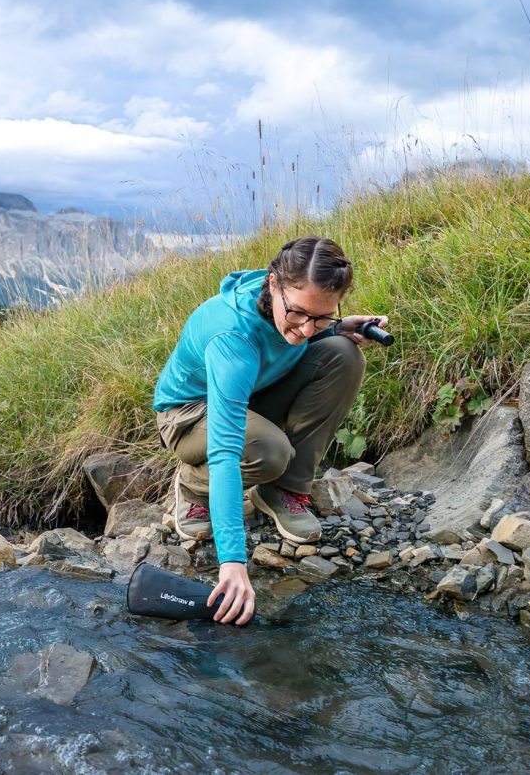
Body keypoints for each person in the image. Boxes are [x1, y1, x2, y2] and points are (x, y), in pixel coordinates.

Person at [152, 236, 388, 625]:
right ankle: (194, 484)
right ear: (274, 284)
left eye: (322, 316)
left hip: (252, 392)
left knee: (344, 356)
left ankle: (285, 489)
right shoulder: (233, 337)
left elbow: (296, 336)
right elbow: (228, 453)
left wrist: (340, 328)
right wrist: (233, 563)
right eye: (298, 313)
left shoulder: (296, 314)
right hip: (189, 414)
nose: (307, 329)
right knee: (268, 450)